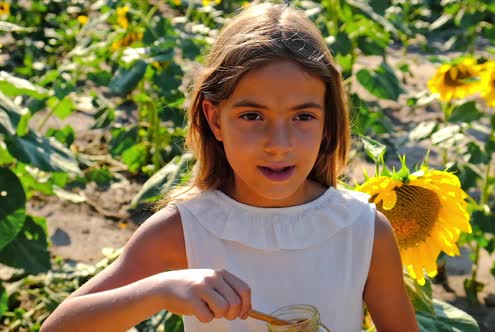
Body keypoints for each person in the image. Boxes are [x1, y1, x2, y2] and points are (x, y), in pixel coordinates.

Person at [41, 2, 419, 332]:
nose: (278, 144)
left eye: (303, 116)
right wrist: (159, 291)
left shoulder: (362, 230)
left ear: (328, 122)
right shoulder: (183, 230)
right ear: (215, 119)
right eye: (253, 115)